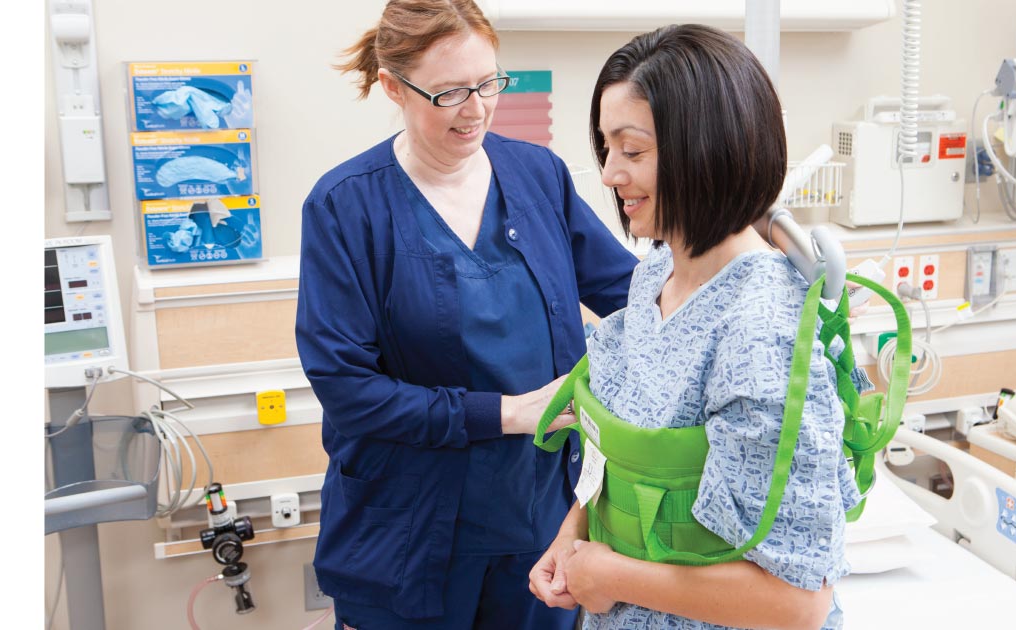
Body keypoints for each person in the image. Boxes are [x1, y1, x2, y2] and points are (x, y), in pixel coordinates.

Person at [294, 1, 638, 628]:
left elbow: (632, 294)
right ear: (394, 87)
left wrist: (746, 282)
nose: (476, 108)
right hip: (408, 533)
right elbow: (347, 389)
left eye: (488, 83)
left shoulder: (538, 176)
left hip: (538, 516)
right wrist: (510, 413)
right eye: (450, 92)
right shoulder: (346, 207)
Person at [528, 24, 860, 630]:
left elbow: (798, 602)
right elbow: (620, 448)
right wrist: (573, 535)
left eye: (632, 151)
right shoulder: (655, 272)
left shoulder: (760, 334)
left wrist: (611, 577)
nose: (607, 175)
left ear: (706, 150)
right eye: (607, 148)